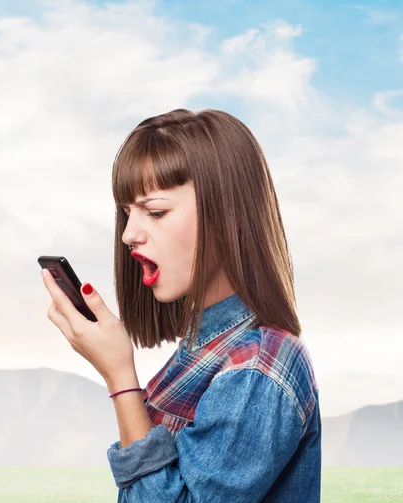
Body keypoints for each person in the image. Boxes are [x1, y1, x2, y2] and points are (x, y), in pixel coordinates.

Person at [41, 108, 321, 502]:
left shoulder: (257, 368)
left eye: (155, 212)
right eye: (126, 213)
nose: (129, 235)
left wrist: (121, 377)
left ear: (229, 214)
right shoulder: (204, 348)